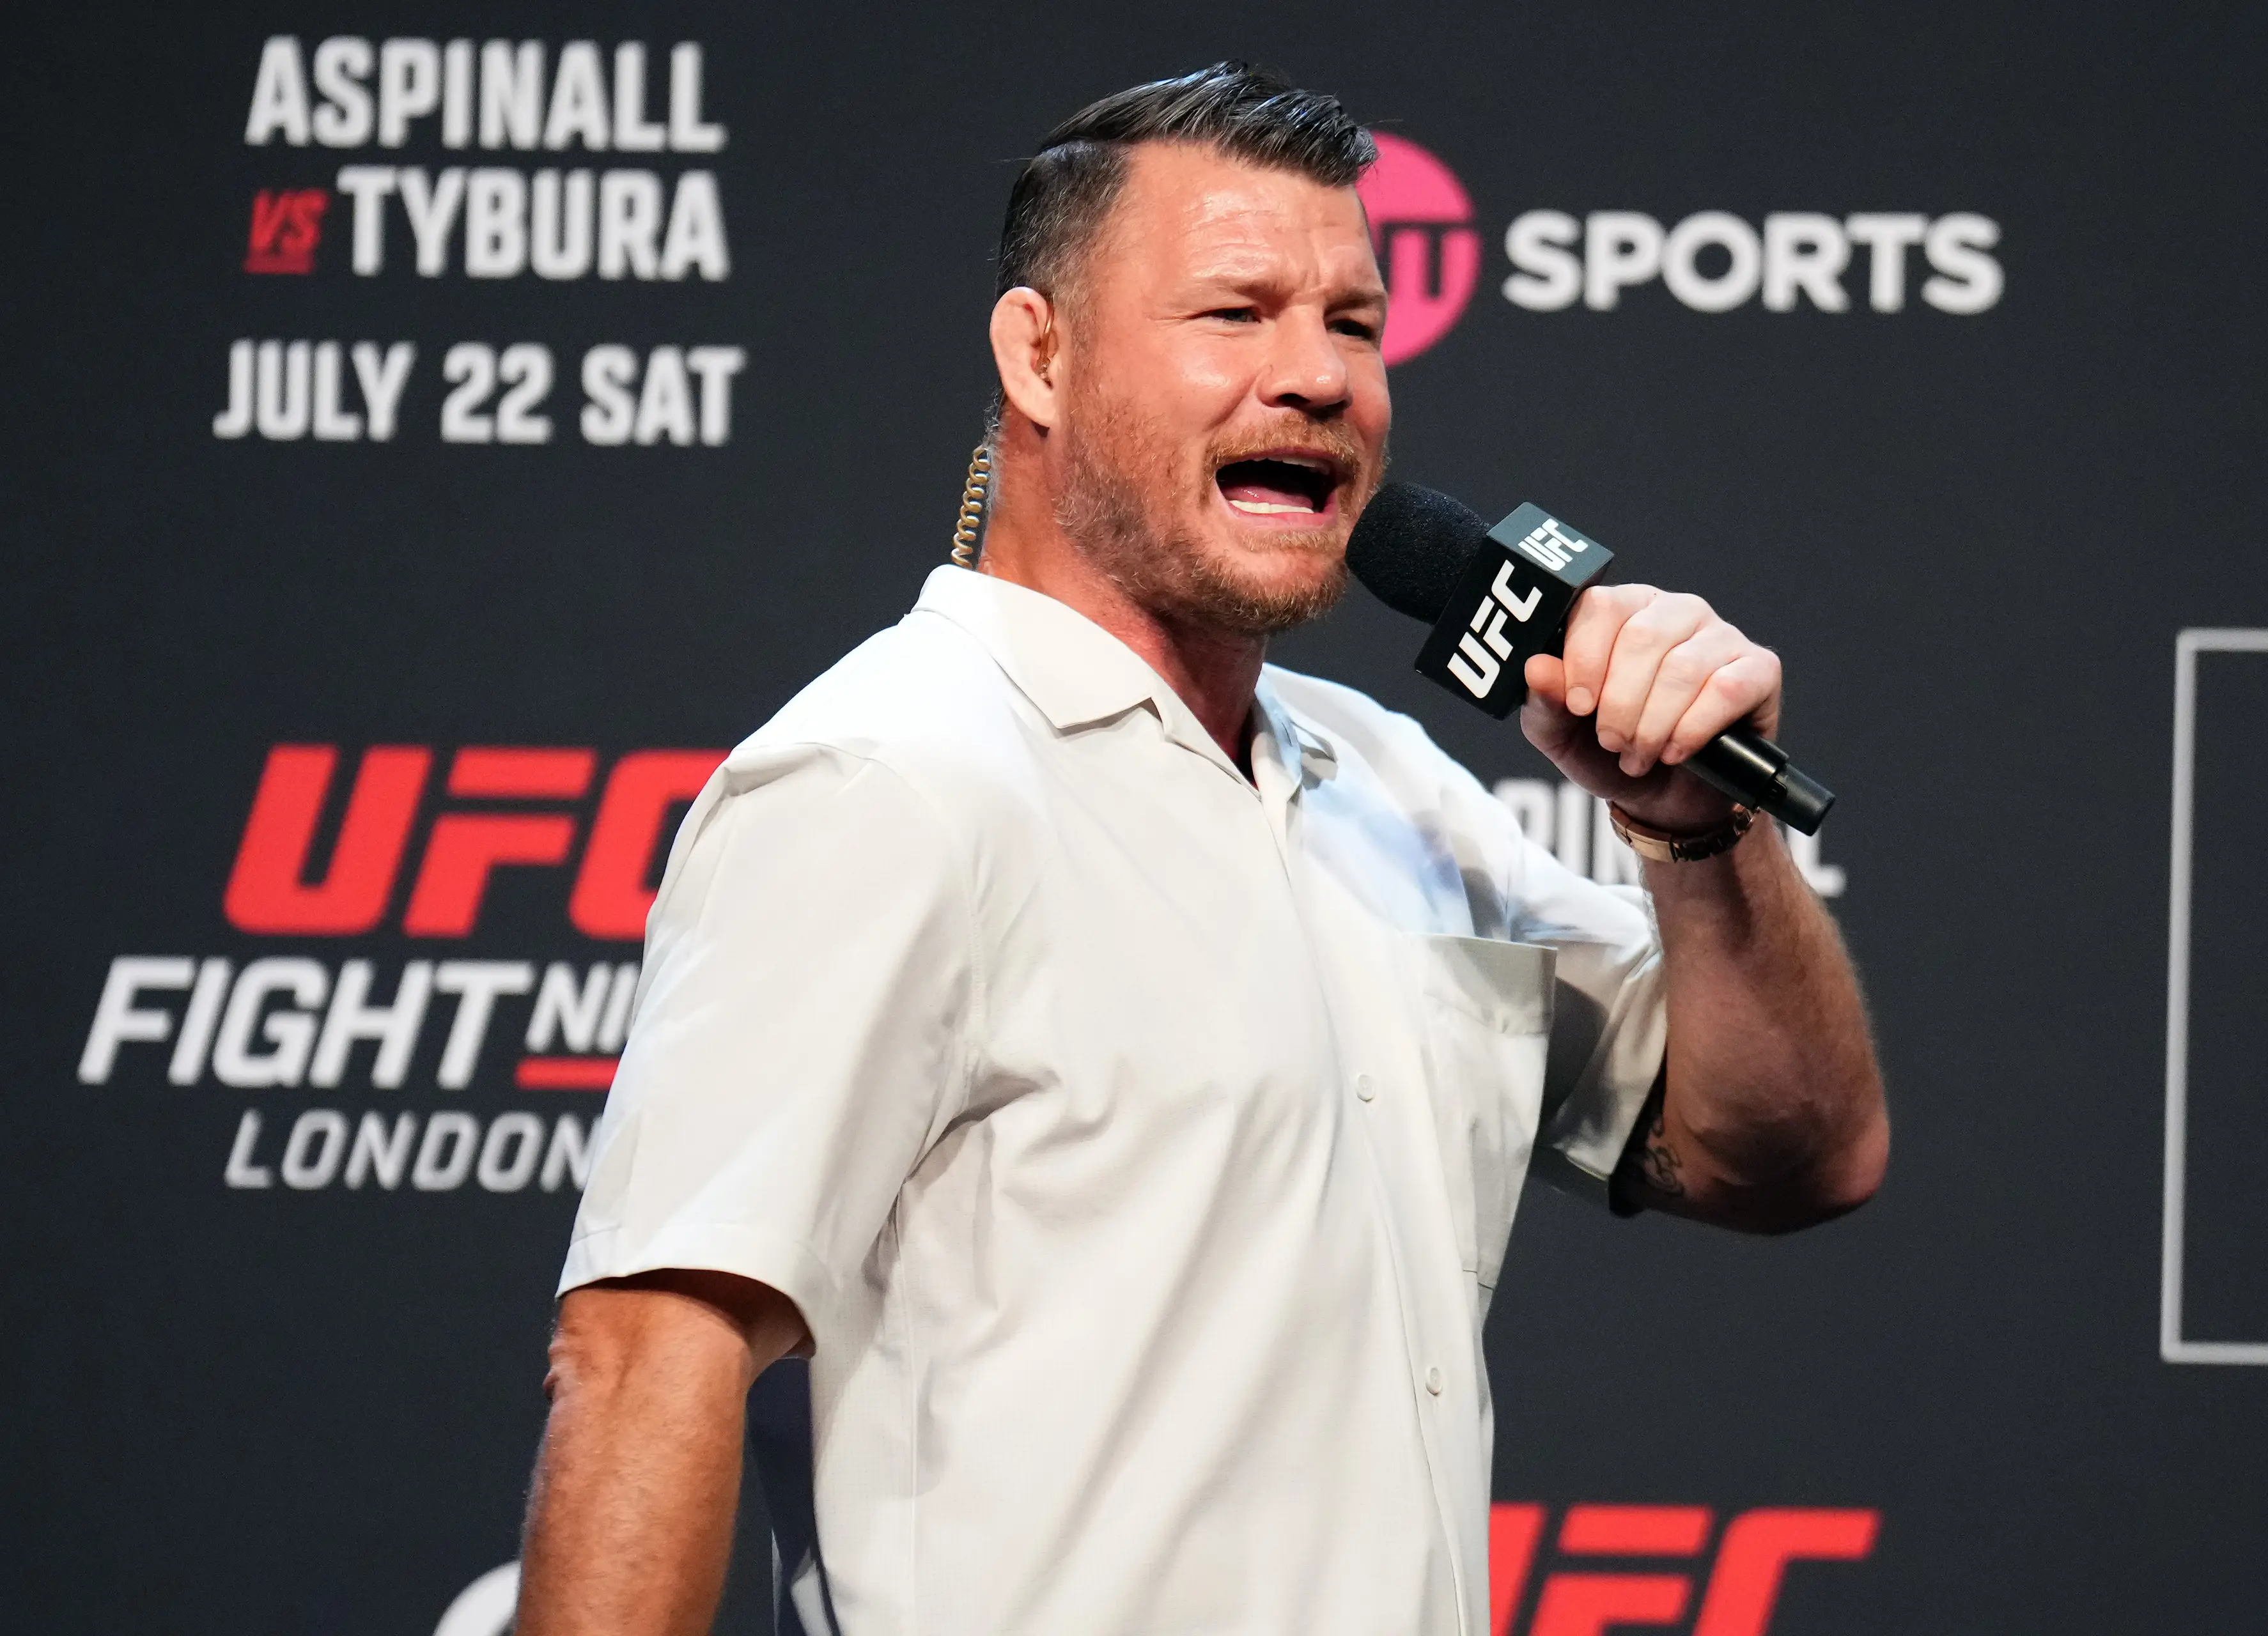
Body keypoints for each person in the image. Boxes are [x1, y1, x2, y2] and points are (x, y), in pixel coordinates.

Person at [513, 63, 1886, 1636]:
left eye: (1354, 324)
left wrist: (1703, 839)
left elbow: (1785, 1153)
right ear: (1039, 355)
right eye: (1236, 313)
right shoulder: (889, 779)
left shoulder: (1386, 780)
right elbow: (646, 1354)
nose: (1317, 379)